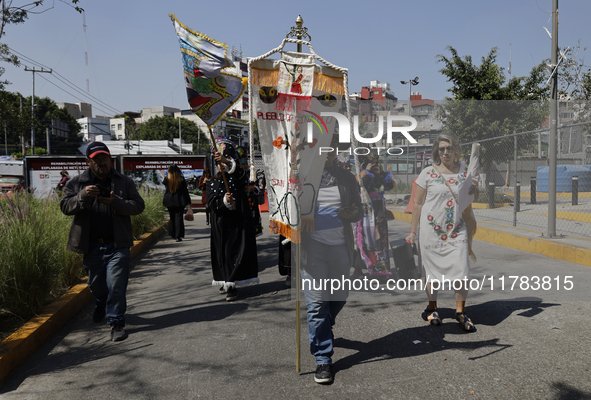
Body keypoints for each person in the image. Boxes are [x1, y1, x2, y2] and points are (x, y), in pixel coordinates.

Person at [60, 142, 145, 342]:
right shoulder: (76, 183)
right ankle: (100, 303)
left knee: (116, 284)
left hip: (117, 244)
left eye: (104, 159)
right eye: (96, 160)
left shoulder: (124, 181)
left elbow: (138, 206)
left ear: (110, 159)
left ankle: (116, 322)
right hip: (90, 245)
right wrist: (83, 196)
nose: (101, 163)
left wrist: (116, 202)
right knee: (96, 284)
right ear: (88, 162)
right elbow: (65, 207)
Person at [300, 138, 362, 384]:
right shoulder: (303, 178)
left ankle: (325, 324)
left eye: (330, 148)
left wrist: (352, 213)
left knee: (339, 297)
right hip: (312, 248)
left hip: (339, 248)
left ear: (336, 152)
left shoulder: (347, 178)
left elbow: (358, 210)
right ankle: (323, 358)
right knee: (316, 305)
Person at [405, 133, 479, 332]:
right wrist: (413, 231)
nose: (445, 152)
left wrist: (475, 188)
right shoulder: (428, 173)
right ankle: (432, 307)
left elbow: (473, 197)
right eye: (441, 149)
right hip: (431, 231)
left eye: (449, 148)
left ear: (455, 150)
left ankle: (460, 312)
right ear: (437, 152)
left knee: (462, 271)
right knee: (431, 272)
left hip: (457, 229)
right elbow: (418, 204)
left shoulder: (466, 171)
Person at [206, 139, 259, 301]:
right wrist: (223, 201)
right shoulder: (212, 182)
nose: (221, 165)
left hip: (236, 224)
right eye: (219, 162)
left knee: (233, 252)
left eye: (224, 162)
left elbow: (243, 176)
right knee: (221, 253)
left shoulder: (236, 178)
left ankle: (232, 284)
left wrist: (228, 162)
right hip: (220, 224)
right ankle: (225, 280)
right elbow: (210, 202)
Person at [351, 157, 395, 279]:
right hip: (366, 211)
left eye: (376, 164)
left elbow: (389, 186)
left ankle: (381, 270)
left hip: (378, 212)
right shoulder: (360, 175)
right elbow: (362, 185)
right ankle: (358, 269)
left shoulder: (381, 177)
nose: (375, 165)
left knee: (380, 240)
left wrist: (383, 174)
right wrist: (368, 172)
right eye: (371, 164)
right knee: (363, 238)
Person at [163, 164, 192, 242]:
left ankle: (172, 233)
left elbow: (164, 184)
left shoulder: (167, 179)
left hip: (169, 200)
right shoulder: (181, 179)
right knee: (179, 218)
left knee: (172, 217)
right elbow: (185, 191)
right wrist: (189, 201)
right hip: (180, 201)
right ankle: (178, 236)